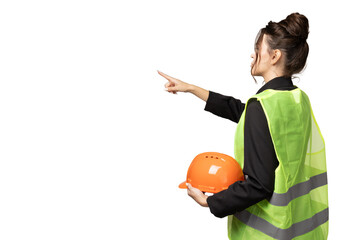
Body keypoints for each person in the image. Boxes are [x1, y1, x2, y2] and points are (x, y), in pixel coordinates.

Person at [158, 12, 328, 240]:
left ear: (275, 56)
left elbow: (259, 185)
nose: (253, 55)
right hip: (297, 229)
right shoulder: (297, 99)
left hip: (267, 234)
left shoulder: (262, 106)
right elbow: (244, 111)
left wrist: (210, 201)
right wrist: (191, 88)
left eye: (258, 50)